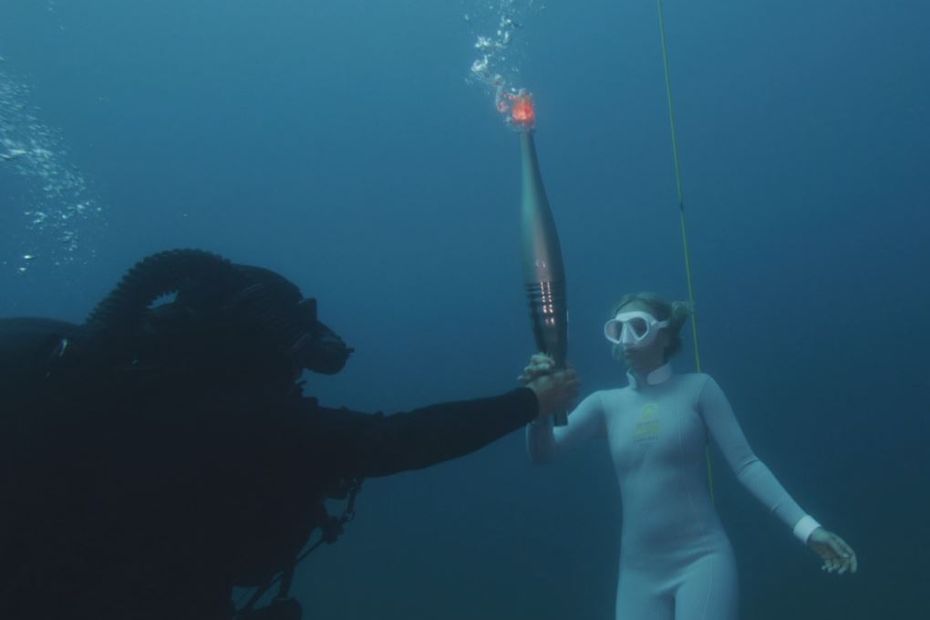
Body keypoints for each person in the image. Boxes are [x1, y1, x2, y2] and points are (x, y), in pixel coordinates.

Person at [0, 249, 579, 620]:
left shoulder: (78, 372)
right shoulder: (246, 420)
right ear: (263, 338)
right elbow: (401, 440)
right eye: (294, 351)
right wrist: (530, 401)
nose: (298, 371)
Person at [521, 292, 857, 620]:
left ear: (665, 334)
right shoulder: (605, 405)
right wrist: (538, 407)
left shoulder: (699, 389)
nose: (625, 340)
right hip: (637, 573)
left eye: (637, 327)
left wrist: (808, 529)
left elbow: (747, 465)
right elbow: (544, 452)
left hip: (702, 560)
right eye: (616, 329)